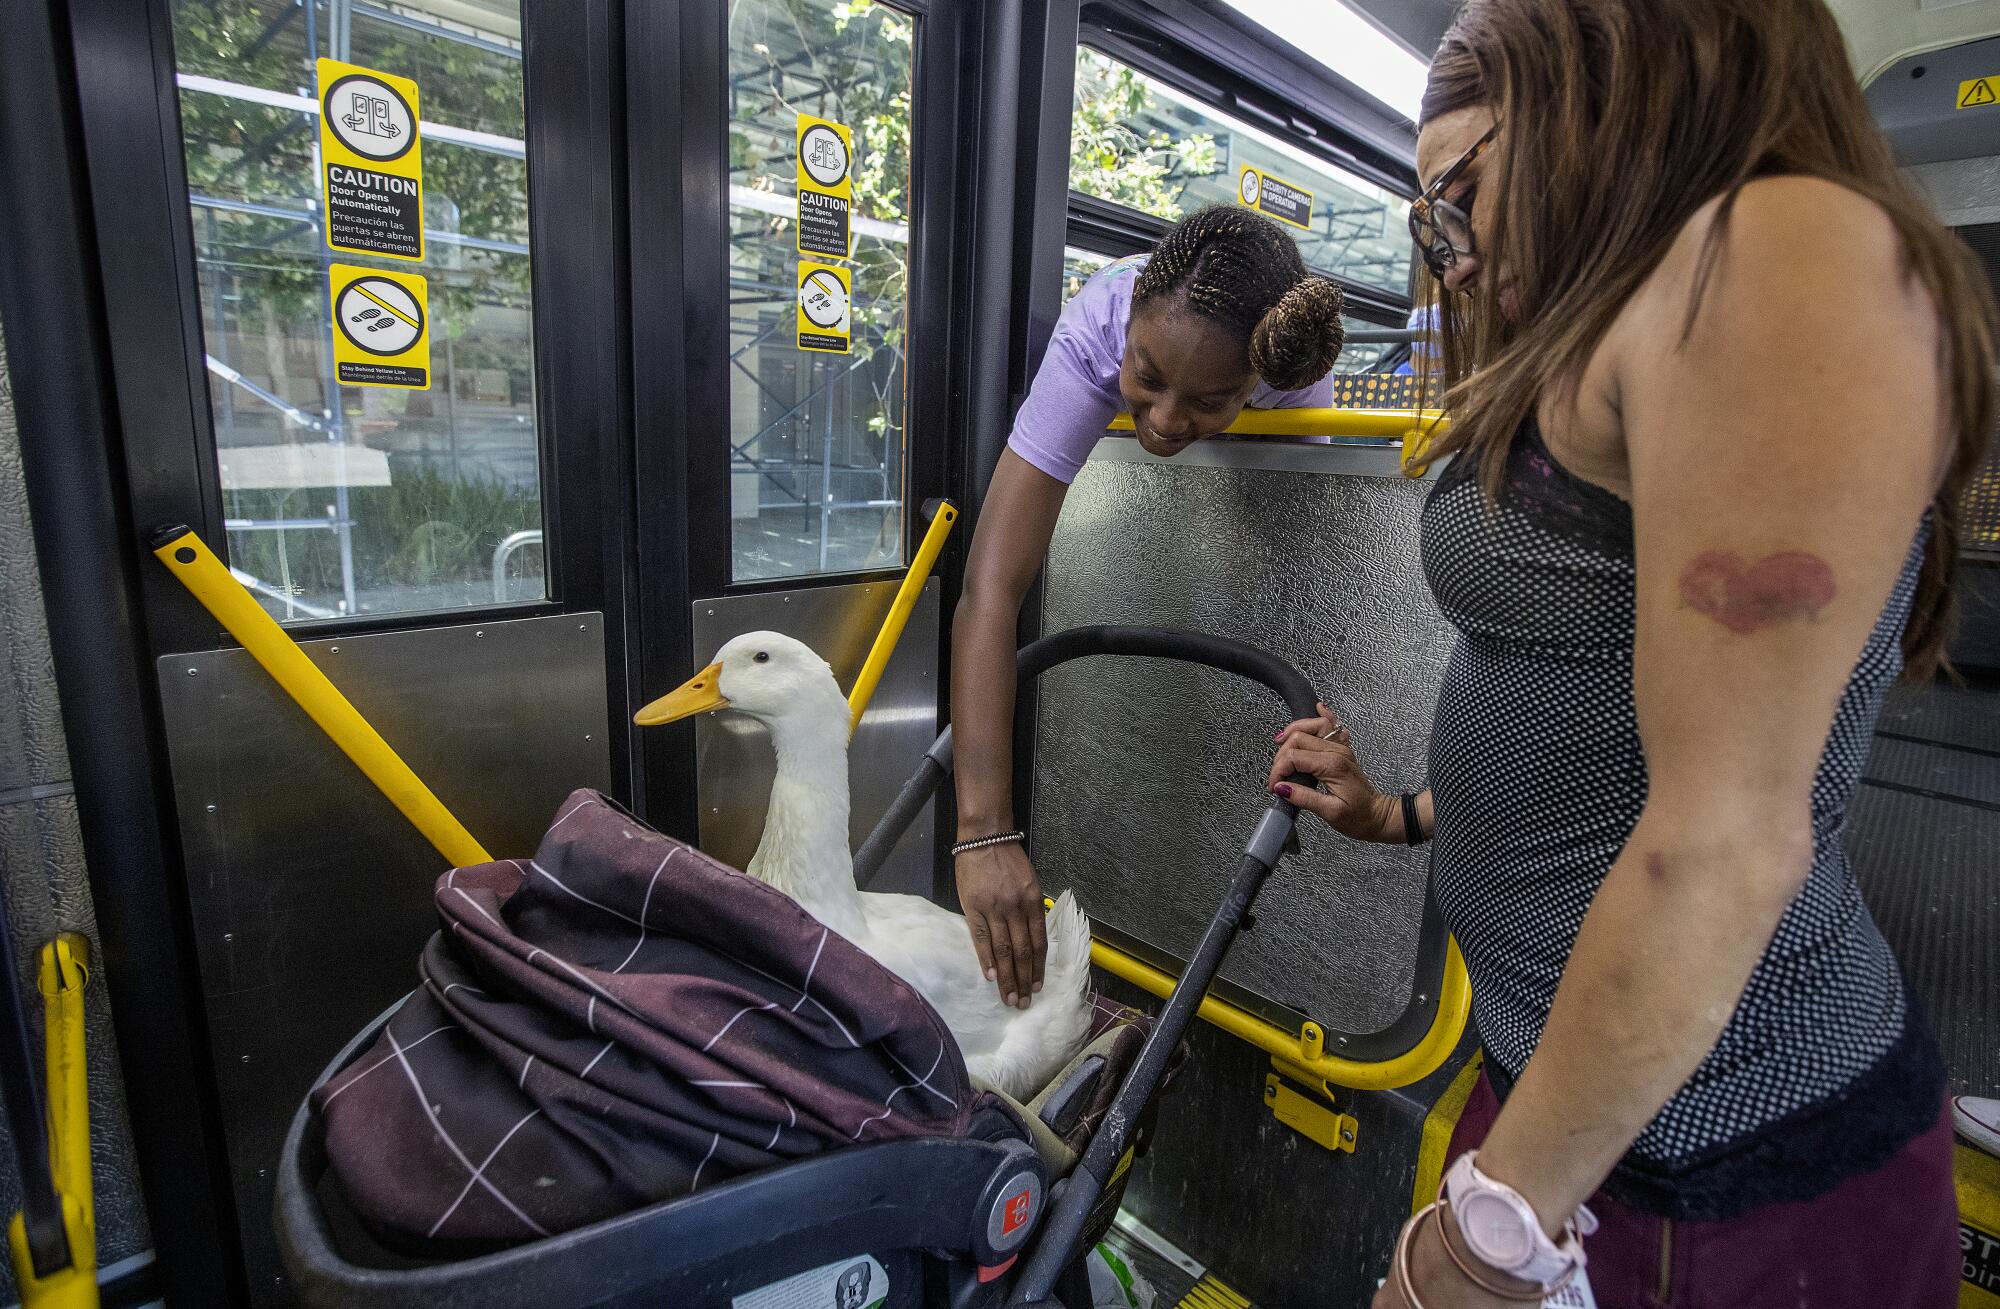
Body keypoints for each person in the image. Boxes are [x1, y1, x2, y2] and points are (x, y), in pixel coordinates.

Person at [1266, 1, 1996, 1305]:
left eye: (1465, 194)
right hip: (1576, 1100)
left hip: (1721, 1148)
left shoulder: (1777, 250)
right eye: (1429, 219)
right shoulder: (1627, 324)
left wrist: (1486, 1239)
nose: (1452, 253)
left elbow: (1724, 839)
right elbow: (1600, 703)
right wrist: (1407, 815)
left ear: (1627, 91)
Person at [952, 206, 1347, 1010]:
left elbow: (1308, 580)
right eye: (1149, 377)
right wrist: (984, 833)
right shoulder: (1099, 320)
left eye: (1209, 400)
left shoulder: (1289, 369)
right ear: (1128, 326)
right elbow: (991, 588)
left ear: (1257, 382)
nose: (1167, 423)